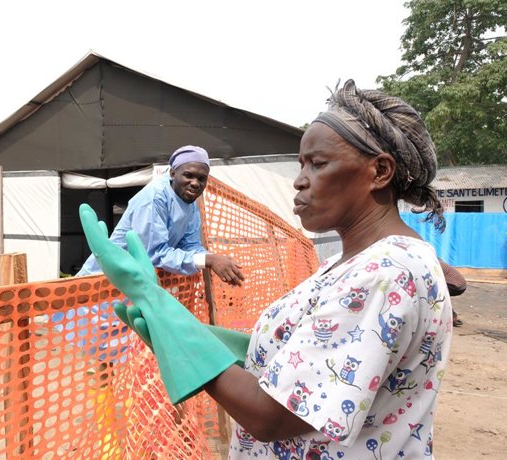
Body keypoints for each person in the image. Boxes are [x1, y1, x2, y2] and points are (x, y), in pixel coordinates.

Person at [81, 80, 452, 459]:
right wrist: (176, 331)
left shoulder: (382, 273)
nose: (300, 180)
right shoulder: (351, 264)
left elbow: (271, 416)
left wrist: (157, 304)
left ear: (380, 171)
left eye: (318, 164)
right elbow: (298, 358)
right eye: (301, 164)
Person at [77, 145, 244, 286]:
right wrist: (208, 260)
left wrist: (215, 260)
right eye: (189, 175)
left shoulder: (190, 203)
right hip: (101, 283)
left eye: (202, 178)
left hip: (134, 285)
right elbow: (154, 253)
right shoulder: (154, 198)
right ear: (172, 173)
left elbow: (191, 245)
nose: (195, 183)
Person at [440, 259, 467, 326]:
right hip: (460, 284)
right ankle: (453, 316)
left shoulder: (430, 262)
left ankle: (452, 317)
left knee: (436, 294)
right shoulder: (433, 258)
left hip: (456, 285)